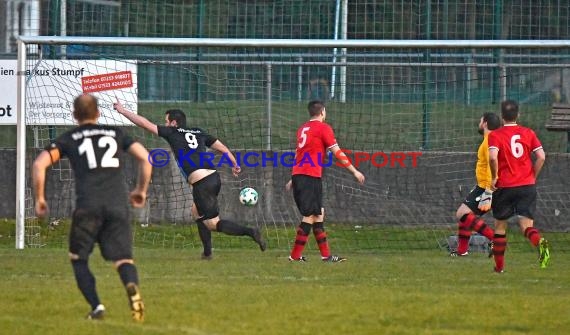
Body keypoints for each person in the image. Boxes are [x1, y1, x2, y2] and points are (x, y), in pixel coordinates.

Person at [32, 94, 151, 321]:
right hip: (117, 206)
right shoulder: (116, 134)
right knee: (123, 259)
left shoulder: (70, 138)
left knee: (79, 258)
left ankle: (97, 307)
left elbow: (40, 164)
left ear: (75, 115)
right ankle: (131, 286)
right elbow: (146, 158)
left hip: (88, 206)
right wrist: (141, 190)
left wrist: (40, 198)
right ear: (98, 113)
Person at [113, 99, 266, 260]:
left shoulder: (172, 132)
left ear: (173, 122)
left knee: (213, 224)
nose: (164, 124)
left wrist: (123, 111)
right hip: (213, 177)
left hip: (202, 183)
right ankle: (207, 253)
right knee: (196, 213)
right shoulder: (198, 132)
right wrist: (234, 163)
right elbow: (222, 148)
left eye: (166, 121)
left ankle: (251, 232)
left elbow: (144, 123)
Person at [286, 100, 365, 262]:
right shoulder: (323, 128)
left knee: (318, 213)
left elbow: (299, 153)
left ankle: (326, 256)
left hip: (302, 175)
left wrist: (293, 177)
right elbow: (337, 152)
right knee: (309, 215)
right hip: (309, 176)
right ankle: (294, 256)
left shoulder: (303, 128)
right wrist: (354, 171)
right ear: (322, 112)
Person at [488, 100, 550, 272]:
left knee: (500, 226)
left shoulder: (496, 135)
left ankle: (499, 268)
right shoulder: (528, 132)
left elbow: (493, 157)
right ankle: (540, 242)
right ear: (518, 115)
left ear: (502, 116)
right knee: (527, 226)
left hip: (505, 186)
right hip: (526, 186)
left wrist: (494, 177)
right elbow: (542, 157)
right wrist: (532, 176)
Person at [450, 113, 501, 257]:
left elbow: (494, 162)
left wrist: (489, 190)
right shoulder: (491, 140)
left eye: (480, 120)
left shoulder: (489, 141)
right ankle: (462, 251)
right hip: (483, 186)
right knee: (466, 215)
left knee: (462, 213)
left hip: (487, 187)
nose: (478, 123)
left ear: (485, 123)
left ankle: (494, 238)